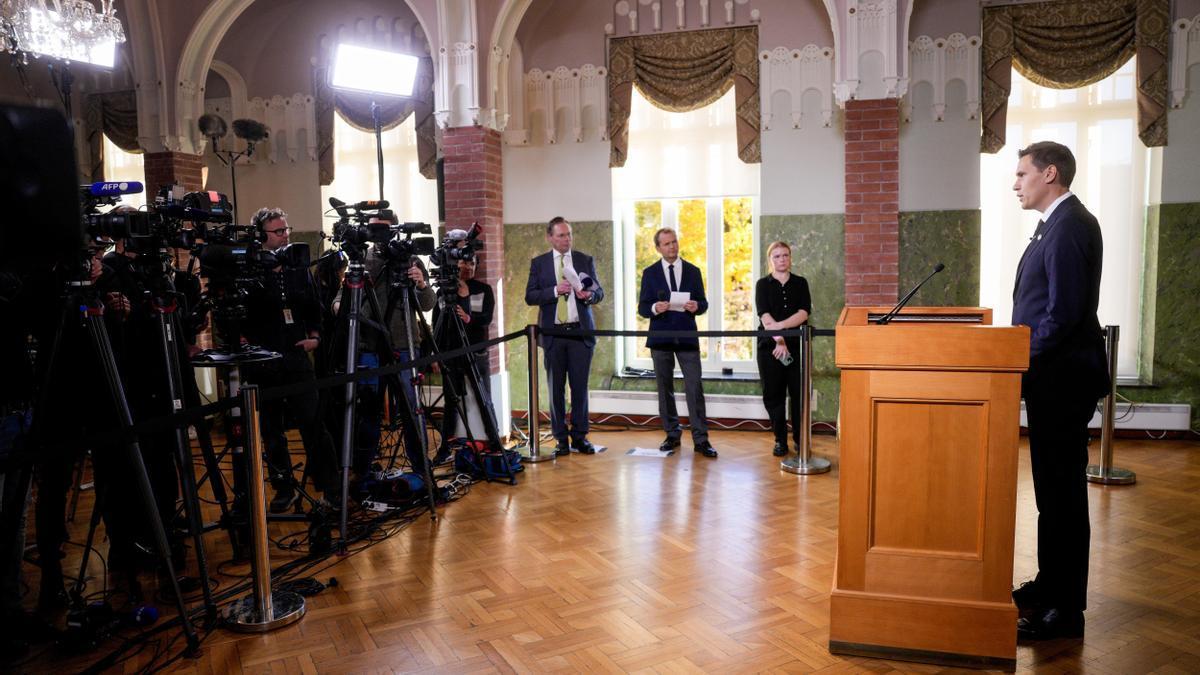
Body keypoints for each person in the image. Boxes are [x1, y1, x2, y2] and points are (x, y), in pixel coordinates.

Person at [1009, 141, 1107, 640]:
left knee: (1064, 497)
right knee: (1052, 494)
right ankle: (1050, 585)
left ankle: (1065, 612)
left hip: (1063, 381)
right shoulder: (1058, 223)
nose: (1015, 183)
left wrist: (1018, 358)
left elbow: (1063, 314)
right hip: (1053, 379)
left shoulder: (1070, 225)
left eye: (1022, 174)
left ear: (1050, 173)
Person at [242, 207, 339, 512]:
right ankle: (284, 488)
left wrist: (315, 337)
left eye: (287, 229)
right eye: (279, 231)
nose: (286, 236)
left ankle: (331, 489)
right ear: (261, 235)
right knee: (271, 432)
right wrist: (244, 340)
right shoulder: (249, 268)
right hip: (262, 362)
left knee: (313, 425)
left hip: (297, 357)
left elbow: (314, 308)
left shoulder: (297, 266)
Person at [524, 217, 605, 456]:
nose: (566, 239)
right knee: (555, 389)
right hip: (553, 335)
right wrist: (553, 291)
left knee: (579, 388)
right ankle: (561, 439)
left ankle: (580, 437)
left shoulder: (584, 260)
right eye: (561, 235)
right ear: (550, 237)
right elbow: (530, 296)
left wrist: (589, 295)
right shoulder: (539, 264)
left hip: (580, 334)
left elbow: (599, 291)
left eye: (569, 234)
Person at [636, 228, 716, 458]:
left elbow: (703, 303)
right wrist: (654, 308)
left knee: (694, 387)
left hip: (687, 337)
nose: (672, 246)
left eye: (674, 242)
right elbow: (642, 307)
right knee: (664, 388)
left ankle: (701, 439)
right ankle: (672, 434)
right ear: (658, 248)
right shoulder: (650, 273)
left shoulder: (693, 270)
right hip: (660, 337)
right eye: (667, 244)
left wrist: (696, 306)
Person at [431, 242, 495, 460]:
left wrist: (469, 317)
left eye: (471, 262)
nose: (467, 266)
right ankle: (445, 447)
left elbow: (486, 319)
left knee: (484, 398)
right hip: (450, 353)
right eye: (463, 262)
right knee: (451, 402)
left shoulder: (484, 289)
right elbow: (438, 323)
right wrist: (436, 355)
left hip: (477, 353)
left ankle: (494, 443)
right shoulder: (443, 292)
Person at [754, 241, 812, 458]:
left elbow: (804, 312)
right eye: (777, 256)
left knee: (798, 395)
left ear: (790, 257)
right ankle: (780, 440)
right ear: (771, 260)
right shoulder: (763, 284)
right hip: (770, 348)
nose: (782, 259)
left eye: (785, 255)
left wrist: (781, 328)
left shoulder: (800, 283)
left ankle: (799, 439)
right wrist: (779, 339)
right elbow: (765, 316)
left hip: (797, 348)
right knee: (773, 395)